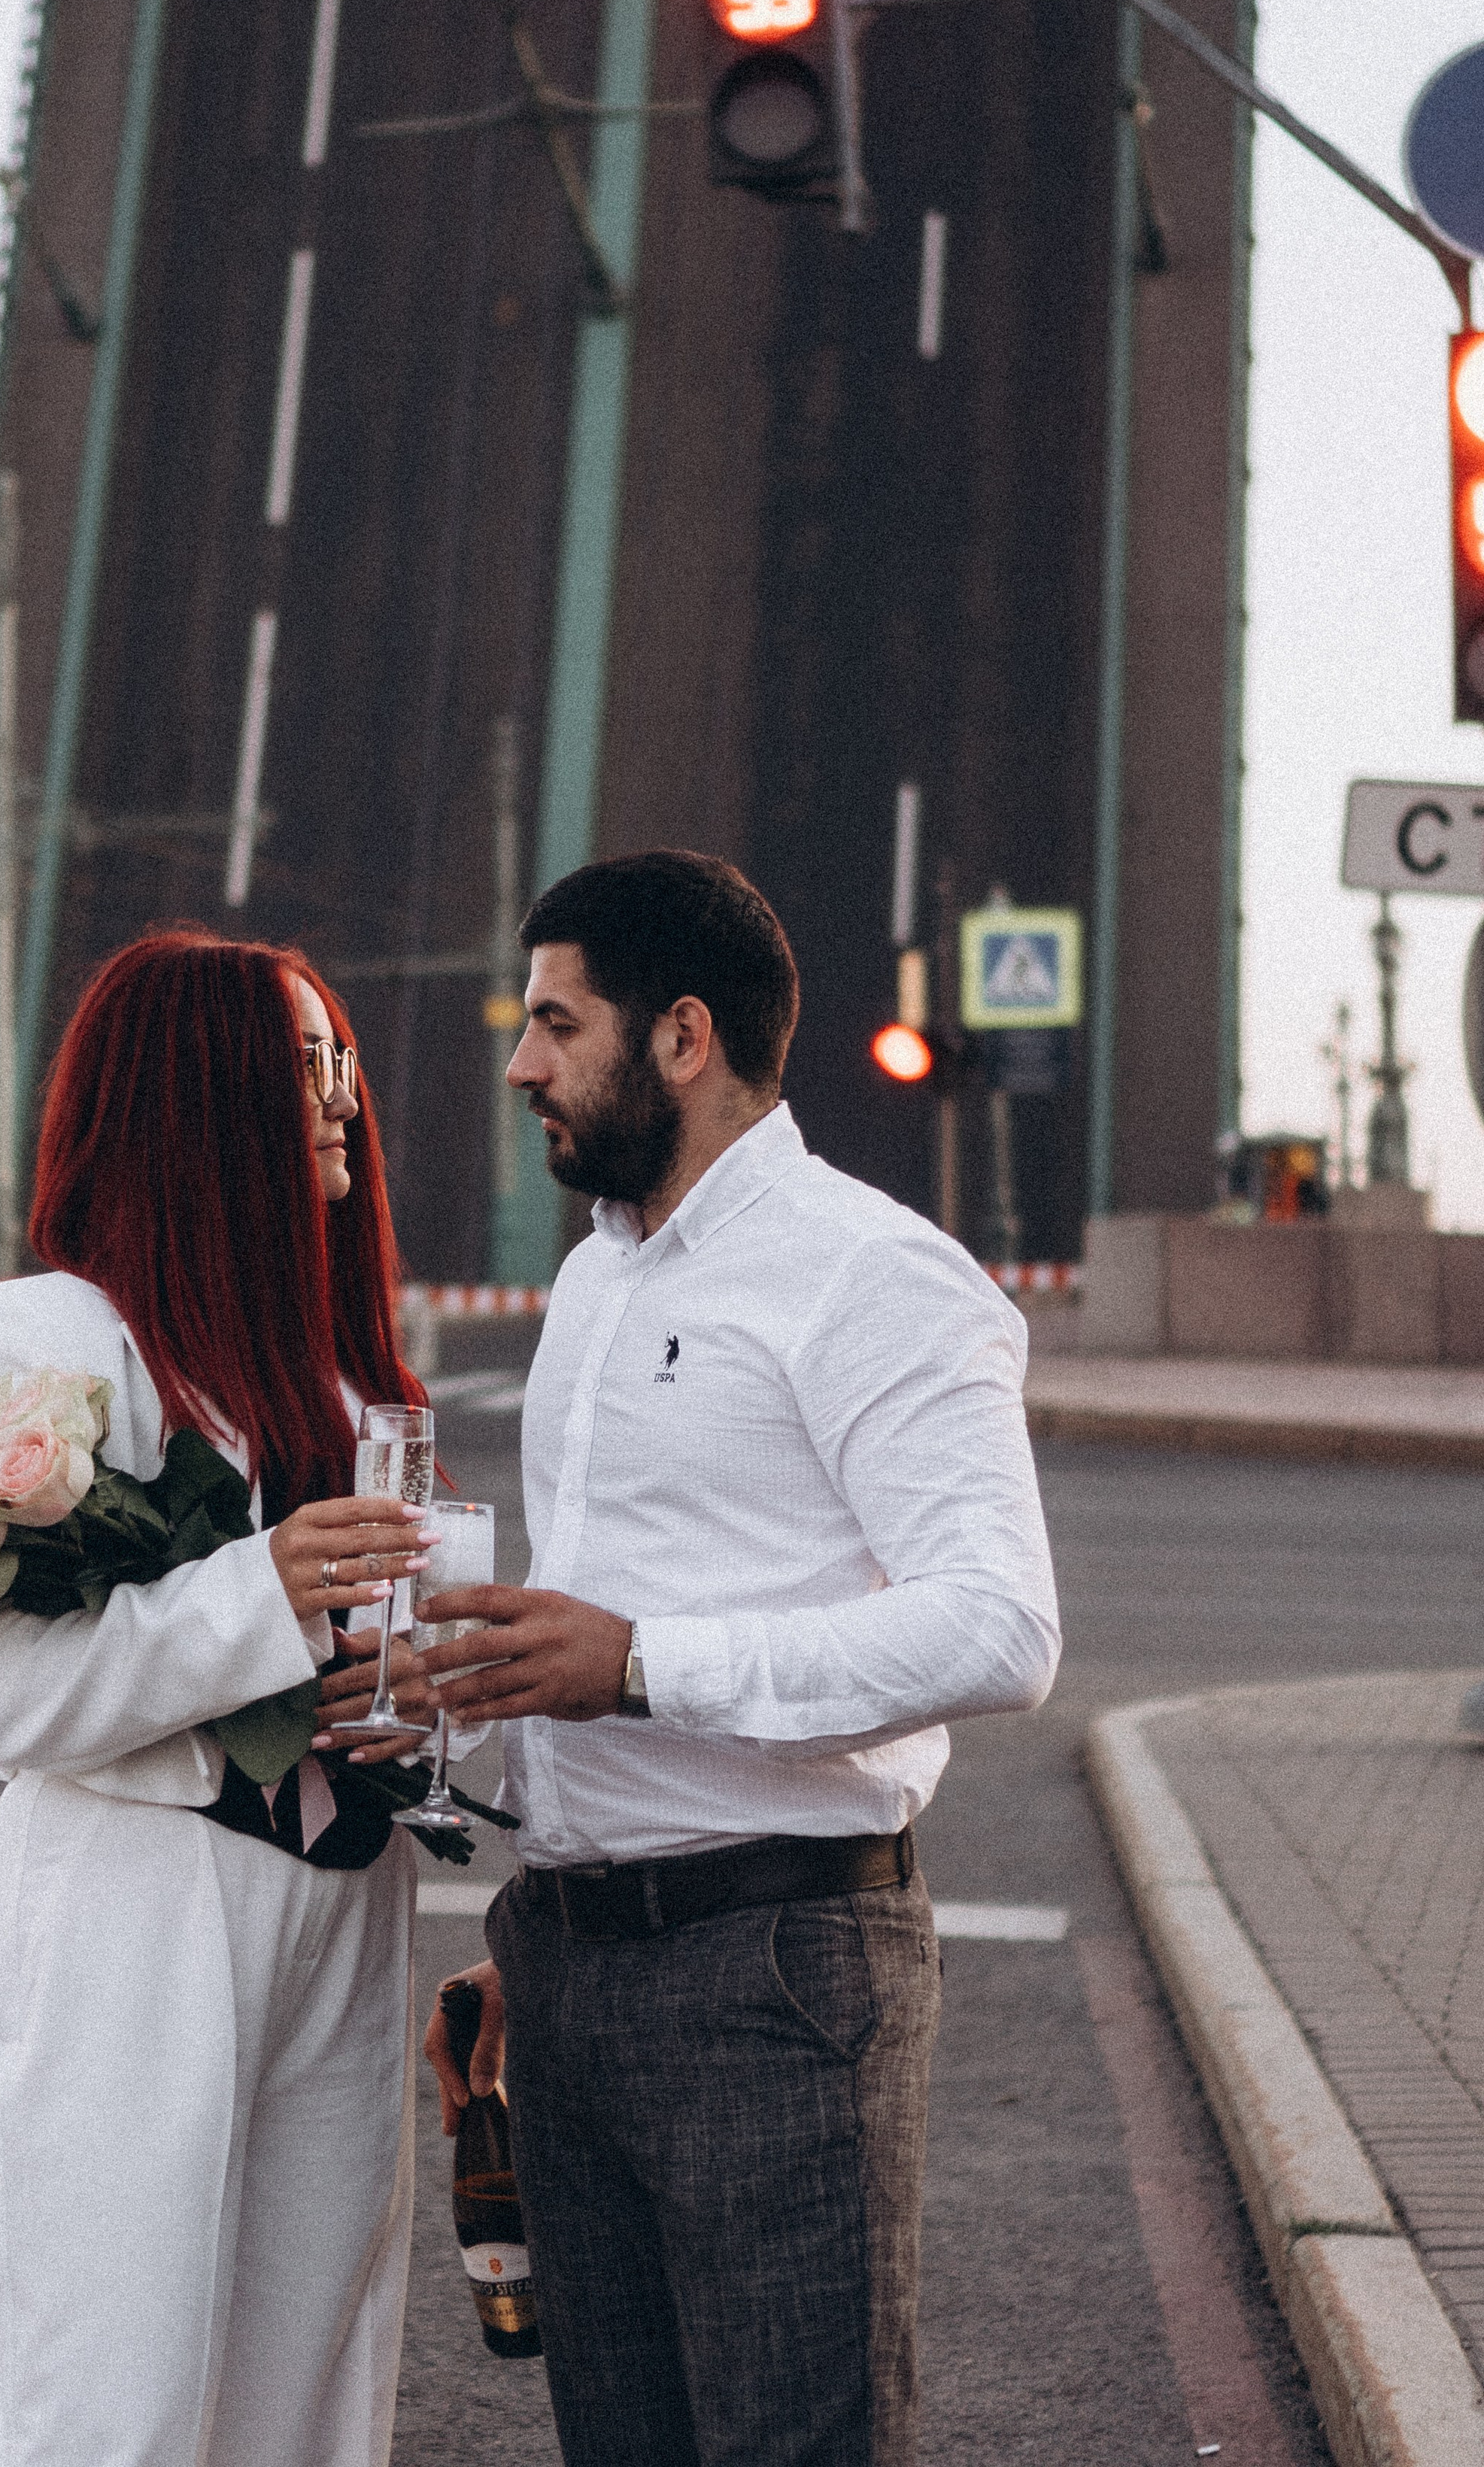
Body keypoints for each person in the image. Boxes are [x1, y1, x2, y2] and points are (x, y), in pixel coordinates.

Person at [416, 851, 1061, 2467]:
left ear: (681, 1035)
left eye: (555, 1023)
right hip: (574, 1971)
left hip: (773, 1976)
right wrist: (552, 1920)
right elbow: (605, 1614)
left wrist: (640, 1667)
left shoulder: (876, 1277)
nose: (520, 1065)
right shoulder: (591, 1280)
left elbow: (998, 1625)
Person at [0, 927, 435, 2467]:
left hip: (343, 1908)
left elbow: (387, 1673)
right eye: (302, 1066)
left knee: (306, 2395)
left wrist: (426, 1703)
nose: (342, 1097)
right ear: (193, 1098)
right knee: (104, 2392)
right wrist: (261, 1598)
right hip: (138, 1911)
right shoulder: (48, 1343)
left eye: (338, 1060)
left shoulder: (349, 1386)